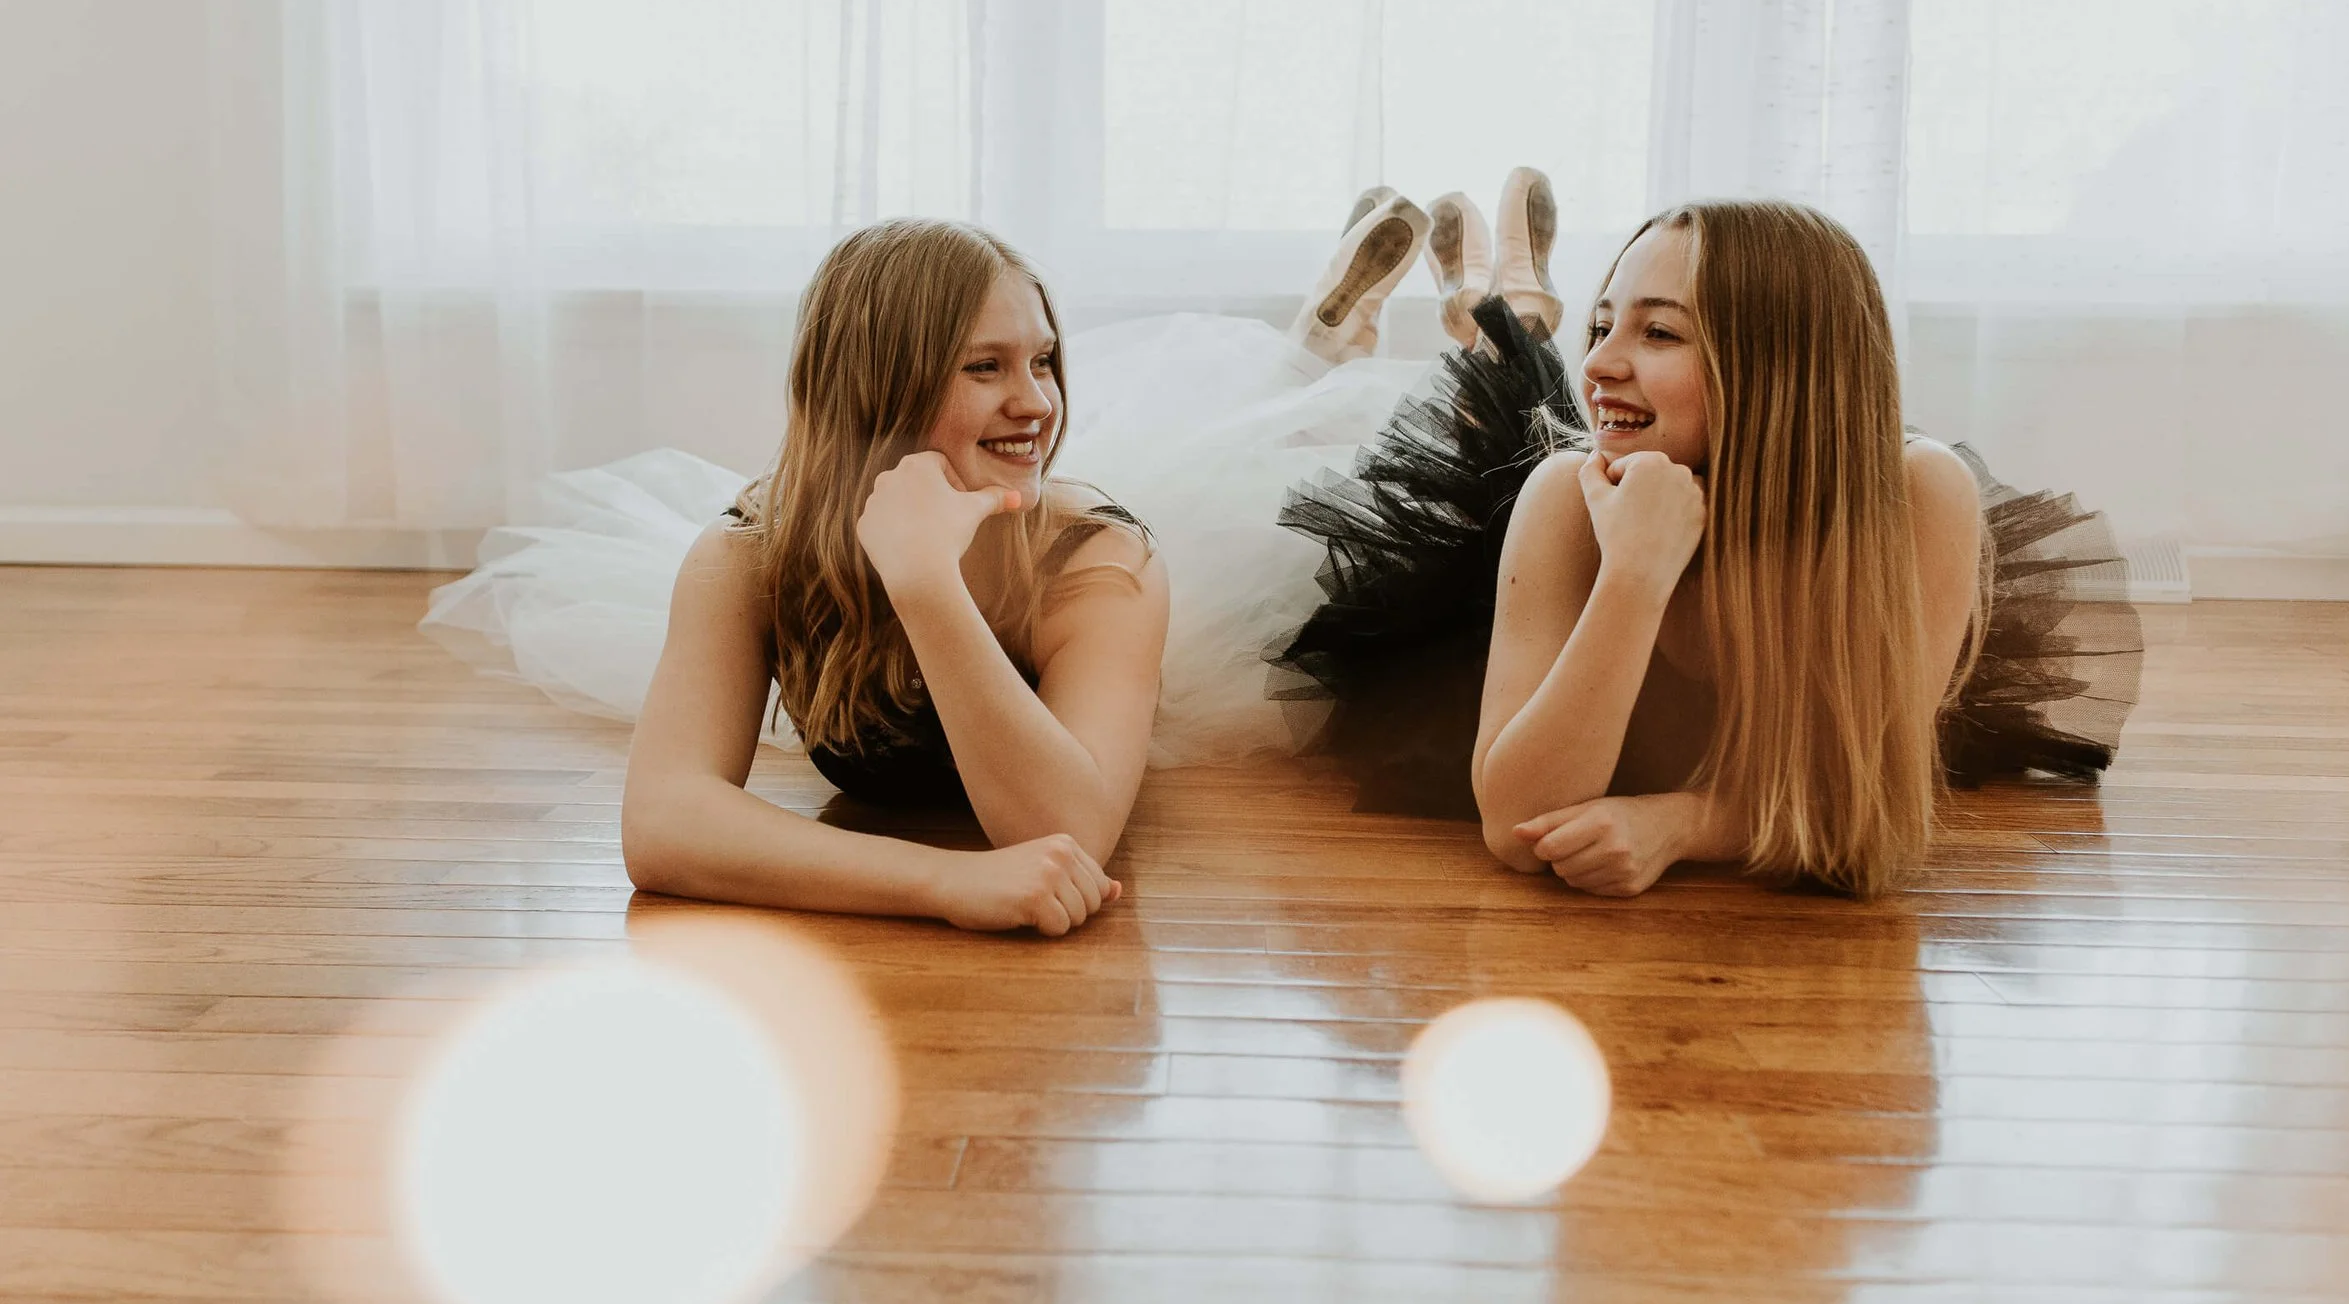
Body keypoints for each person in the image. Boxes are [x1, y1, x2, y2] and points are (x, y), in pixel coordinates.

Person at [1272, 197, 2142, 899]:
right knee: (1385, 441)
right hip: (1465, 616)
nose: (1602, 363)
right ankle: (1411, 333)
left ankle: (1508, 307)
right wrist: (1634, 577)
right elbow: (1519, 822)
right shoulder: (1565, 500)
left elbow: (1865, 811)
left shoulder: (1918, 493)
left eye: (1659, 332)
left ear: (1777, 364)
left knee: (1510, 391)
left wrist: (1681, 821)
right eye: (1604, 325)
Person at [426, 218, 1169, 934]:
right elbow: (661, 824)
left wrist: (925, 583)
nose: (1038, 402)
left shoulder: (1099, 560)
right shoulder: (748, 554)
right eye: (985, 365)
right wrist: (948, 880)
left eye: (1042, 361)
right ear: (877, 385)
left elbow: (1069, 830)